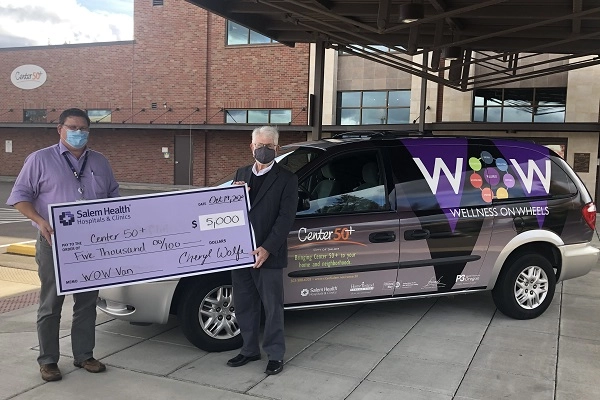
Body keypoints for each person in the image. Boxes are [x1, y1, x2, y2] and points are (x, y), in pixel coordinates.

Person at [7, 108, 120, 382]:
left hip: (92, 247)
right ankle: (48, 361)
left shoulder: (100, 162)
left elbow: (115, 199)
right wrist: (39, 220)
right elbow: (20, 197)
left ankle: (84, 355)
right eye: (73, 127)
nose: (78, 133)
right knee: (51, 304)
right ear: (59, 129)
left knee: (86, 302)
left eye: (84, 129)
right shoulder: (40, 160)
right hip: (53, 244)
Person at [226, 126, 298, 375]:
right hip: (241, 254)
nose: (263, 150)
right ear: (251, 147)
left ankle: (275, 354)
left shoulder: (287, 178)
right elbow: (228, 214)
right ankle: (249, 350)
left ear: (277, 148)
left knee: (272, 307)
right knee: (244, 304)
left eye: (269, 146)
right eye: (259, 145)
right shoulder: (241, 174)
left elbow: (285, 218)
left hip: (268, 253)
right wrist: (235, 197)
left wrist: (267, 248)